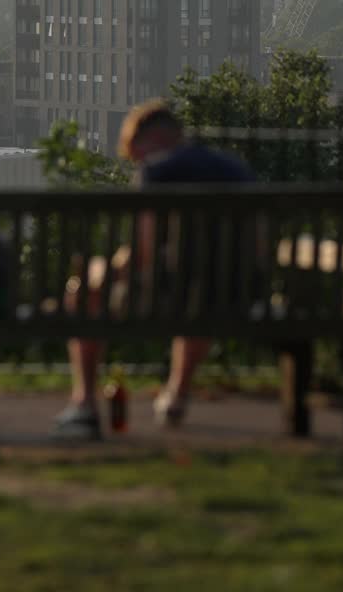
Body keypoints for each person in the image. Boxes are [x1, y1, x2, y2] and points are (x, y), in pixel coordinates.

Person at [53, 99, 255, 440]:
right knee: (198, 296)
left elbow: (142, 252)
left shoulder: (157, 171)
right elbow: (257, 244)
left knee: (83, 289)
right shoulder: (234, 168)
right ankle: (176, 395)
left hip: (167, 296)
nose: (137, 163)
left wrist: (110, 268)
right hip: (236, 295)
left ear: (151, 141)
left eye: (136, 155)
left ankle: (85, 402)